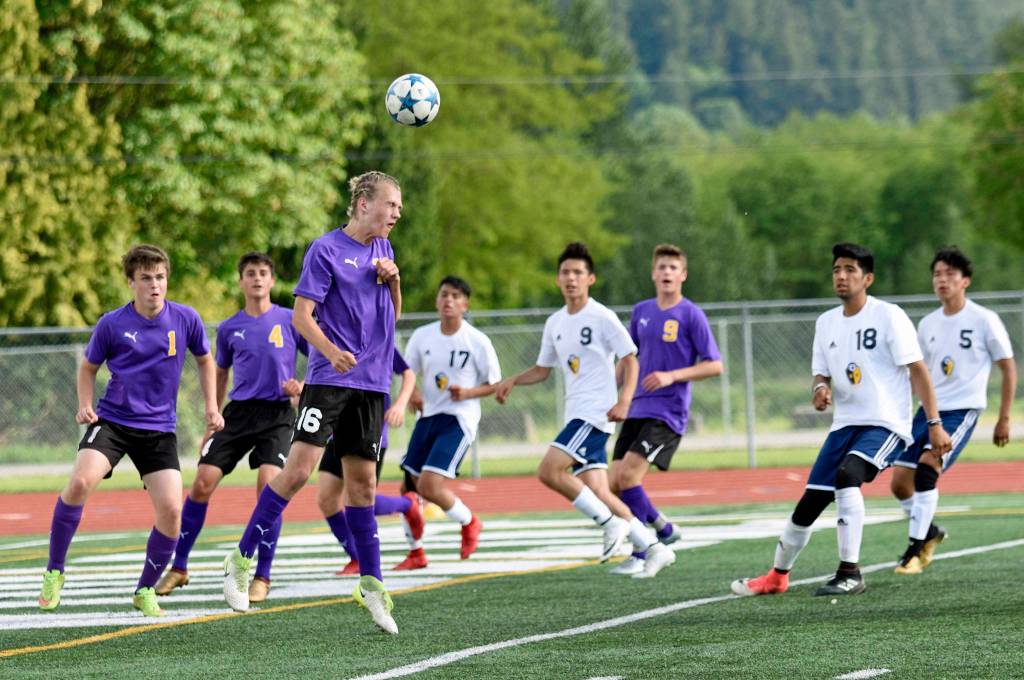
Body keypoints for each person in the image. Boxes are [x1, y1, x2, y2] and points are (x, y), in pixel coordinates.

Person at [221, 171, 403, 635]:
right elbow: (302, 317)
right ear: (364, 203)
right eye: (391, 204)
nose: (397, 213)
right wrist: (331, 352)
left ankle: (372, 583)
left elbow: (391, 317)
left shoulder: (385, 250)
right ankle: (241, 560)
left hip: (374, 384)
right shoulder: (324, 250)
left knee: (361, 486)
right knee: (299, 472)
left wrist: (395, 282)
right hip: (330, 380)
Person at [731, 243, 952, 598]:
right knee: (811, 501)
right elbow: (821, 375)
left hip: (886, 424)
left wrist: (934, 423)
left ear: (868, 278)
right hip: (844, 426)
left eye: (850, 269)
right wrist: (820, 389)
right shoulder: (826, 322)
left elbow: (919, 371)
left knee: (849, 476)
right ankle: (777, 576)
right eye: (836, 269)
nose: (841, 276)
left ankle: (850, 572)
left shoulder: (889, 316)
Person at [38, 244, 223, 617]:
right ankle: (54, 571)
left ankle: (144, 590)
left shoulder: (186, 318)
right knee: (79, 483)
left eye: (160, 277)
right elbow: (88, 367)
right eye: (145, 279)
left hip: (158, 431)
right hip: (113, 422)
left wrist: (211, 407)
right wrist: (84, 404)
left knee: (172, 510)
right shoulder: (113, 323)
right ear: (131, 282)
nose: (155, 285)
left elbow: (205, 360)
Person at [495, 242, 675, 578]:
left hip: (595, 414)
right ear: (557, 280)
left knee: (548, 471)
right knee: (599, 491)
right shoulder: (555, 323)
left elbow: (630, 358)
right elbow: (543, 369)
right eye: (565, 272)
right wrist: (514, 380)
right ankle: (653, 547)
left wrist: (624, 400)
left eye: (578, 272)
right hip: (576, 413)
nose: (571, 278)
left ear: (590, 279)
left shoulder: (602, 316)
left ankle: (609, 525)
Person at [155, 253, 307, 603]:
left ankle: (262, 575)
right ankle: (179, 567)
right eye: (250, 273)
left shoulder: (288, 319)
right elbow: (219, 372)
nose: (257, 278)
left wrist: (302, 387)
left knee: (270, 486)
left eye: (263, 273)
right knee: (203, 482)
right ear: (240, 281)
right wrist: (213, 415)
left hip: (277, 416)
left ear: (271, 281)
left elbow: (316, 358)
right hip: (238, 414)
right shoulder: (229, 328)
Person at [890, 246, 1015, 574]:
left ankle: (914, 552)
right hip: (928, 411)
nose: (942, 280)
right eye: (937, 274)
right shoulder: (928, 323)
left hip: (962, 411)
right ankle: (931, 532)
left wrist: (1003, 418)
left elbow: (1008, 368)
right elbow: (918, 373)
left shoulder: (984, 320)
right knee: (900, 483)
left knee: (928, 469)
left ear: (965, 281)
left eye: (950, 274)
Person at [608, 244, 723, 575]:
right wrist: (611, 396)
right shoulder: (641, 310)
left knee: (628, 476)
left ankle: (643, 553)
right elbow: (628, 359)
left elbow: (715, 365)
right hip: (635, 407)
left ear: (683, 275)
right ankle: (662, 527)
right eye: (662, 267)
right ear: (653, 273)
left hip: (668, 412)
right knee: (614, 482)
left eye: (674, 268)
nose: (667, 273)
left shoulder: (691, 315)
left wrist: (672, 375)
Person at [392, 276, 502, 569]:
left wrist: (467, 392)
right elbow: (408, 373)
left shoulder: (477, 341)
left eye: (455, 296)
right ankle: (416, 552)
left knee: (428, 485)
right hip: (427, 417)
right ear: (437, 301)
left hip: (459, 420)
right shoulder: (422, 336)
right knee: (408, 489)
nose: (448, 300)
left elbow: (495, 384)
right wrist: (412, 393)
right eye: (444, 295)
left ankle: (470, 522)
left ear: (465, 304)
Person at [318, 347, 423, 575]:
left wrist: (400, 405)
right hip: (337, 431)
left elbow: (408, 373)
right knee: (327, 498)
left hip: (370, 430)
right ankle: (356, 558)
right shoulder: (333, 336)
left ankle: (408, 505)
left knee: (359, 499)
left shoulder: (377, 335)